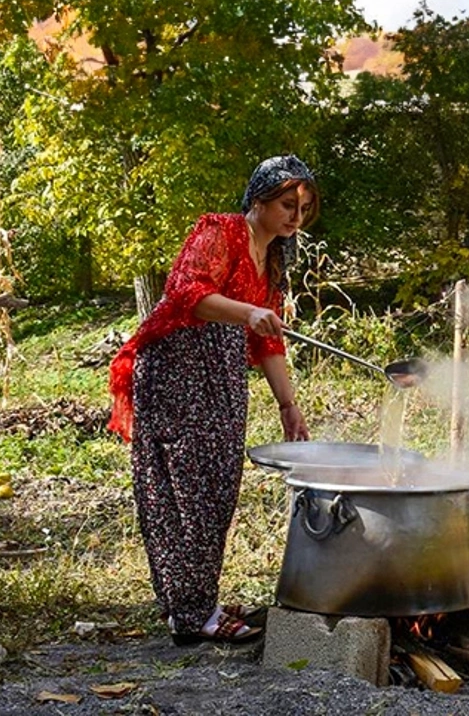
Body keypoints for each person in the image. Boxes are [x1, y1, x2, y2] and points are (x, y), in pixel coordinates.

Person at [108, 155, 317, 645]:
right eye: (288, 205)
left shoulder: (274, 261)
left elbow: (268, 341)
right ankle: (192, 613)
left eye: (304, 208)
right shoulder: (220, 232)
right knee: (186, 489)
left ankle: (195, 601)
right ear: (259, 199)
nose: (296, 216)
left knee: (218, 486)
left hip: (221, 374)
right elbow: (186, 294)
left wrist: (288, 405)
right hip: (176, 369)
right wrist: (247, 313)